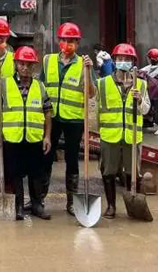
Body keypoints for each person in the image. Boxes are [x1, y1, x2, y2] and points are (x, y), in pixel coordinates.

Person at [40, 22, 96, 216]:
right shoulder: (48, 60)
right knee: (46, 157)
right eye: (64, 40)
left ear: (78, 44)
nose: (67, 44)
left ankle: (72, 202)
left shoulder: (83, 64)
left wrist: (88, 71)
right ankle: (40, 198)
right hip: (52, 118)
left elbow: (91, 93)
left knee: (72, 160)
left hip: (74, 120)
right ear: (59, 41)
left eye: (72, 41)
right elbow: (40, 87)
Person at [0, 46, 53, 220]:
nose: (25, 68)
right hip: (12, 138)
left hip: (34, 138)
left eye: (29, 65)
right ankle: (18, 206)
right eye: (22, 64)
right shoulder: (4, 84)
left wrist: (47, 136)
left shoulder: (39, 86)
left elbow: (47, 112)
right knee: (15, 174)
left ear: (34, 66)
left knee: (36, 173)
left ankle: (37, 205)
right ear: (15, 64)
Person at [97, 43, 151, 219]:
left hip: (132, 136)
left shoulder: (141, 84)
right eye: (120, 58)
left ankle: (132, 203)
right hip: (110, 135)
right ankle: (111, 206)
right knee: (108, 172)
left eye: (127, 59)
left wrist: (140, 100)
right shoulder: (103, 83)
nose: (123, 62)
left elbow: (146, 110)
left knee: (132, 172)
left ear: (133, 62)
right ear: (114, 60)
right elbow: (94, 106)